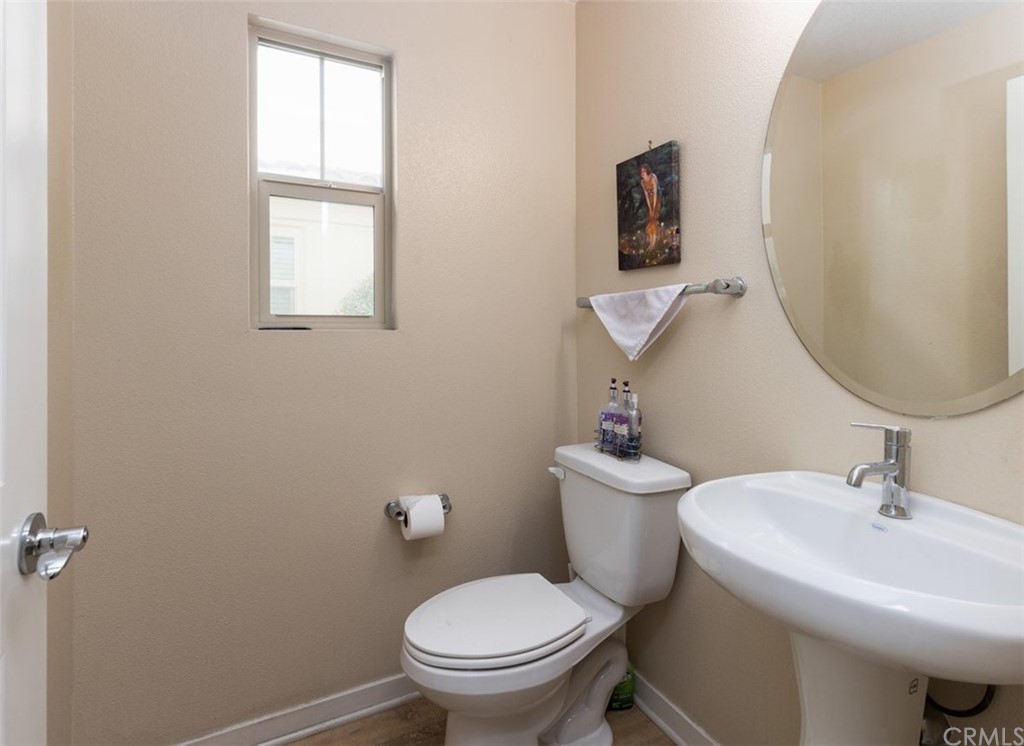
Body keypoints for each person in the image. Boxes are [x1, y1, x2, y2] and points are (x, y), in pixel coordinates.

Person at [639, 163, 660, 251]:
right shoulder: (642, 182)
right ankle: (650, 243)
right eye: (641, 172)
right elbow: (647, 196)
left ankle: (654, 244)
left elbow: (655, 194)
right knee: (649, 220)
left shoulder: (653, 178)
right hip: (650, 202)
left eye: (644, 171)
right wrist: (650, 208)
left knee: (654, 219)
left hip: (656, 200)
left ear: (647, 170)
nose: (642, 173)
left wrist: (654, 207)